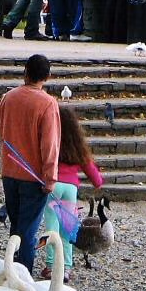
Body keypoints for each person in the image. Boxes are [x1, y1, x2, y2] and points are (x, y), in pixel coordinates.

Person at [0, 54, 61, 273]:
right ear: (48, 77)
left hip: (9, 172)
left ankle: (12, 268)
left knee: (16, 227)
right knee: (28, 230)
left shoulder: (9, 97)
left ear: (25, 72)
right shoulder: (48, 104)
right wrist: (50, 177)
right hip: (34, 177)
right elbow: (50, 144)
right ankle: (23, 275)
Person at [41, 106, 103, 280]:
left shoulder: (51, 140)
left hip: (53, 186)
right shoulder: (77, 145)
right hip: (71, 188)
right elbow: (92, 171)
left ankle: (52, 266)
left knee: (51, 228)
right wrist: (98, 181)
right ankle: (66, 267)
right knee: (68, 229)